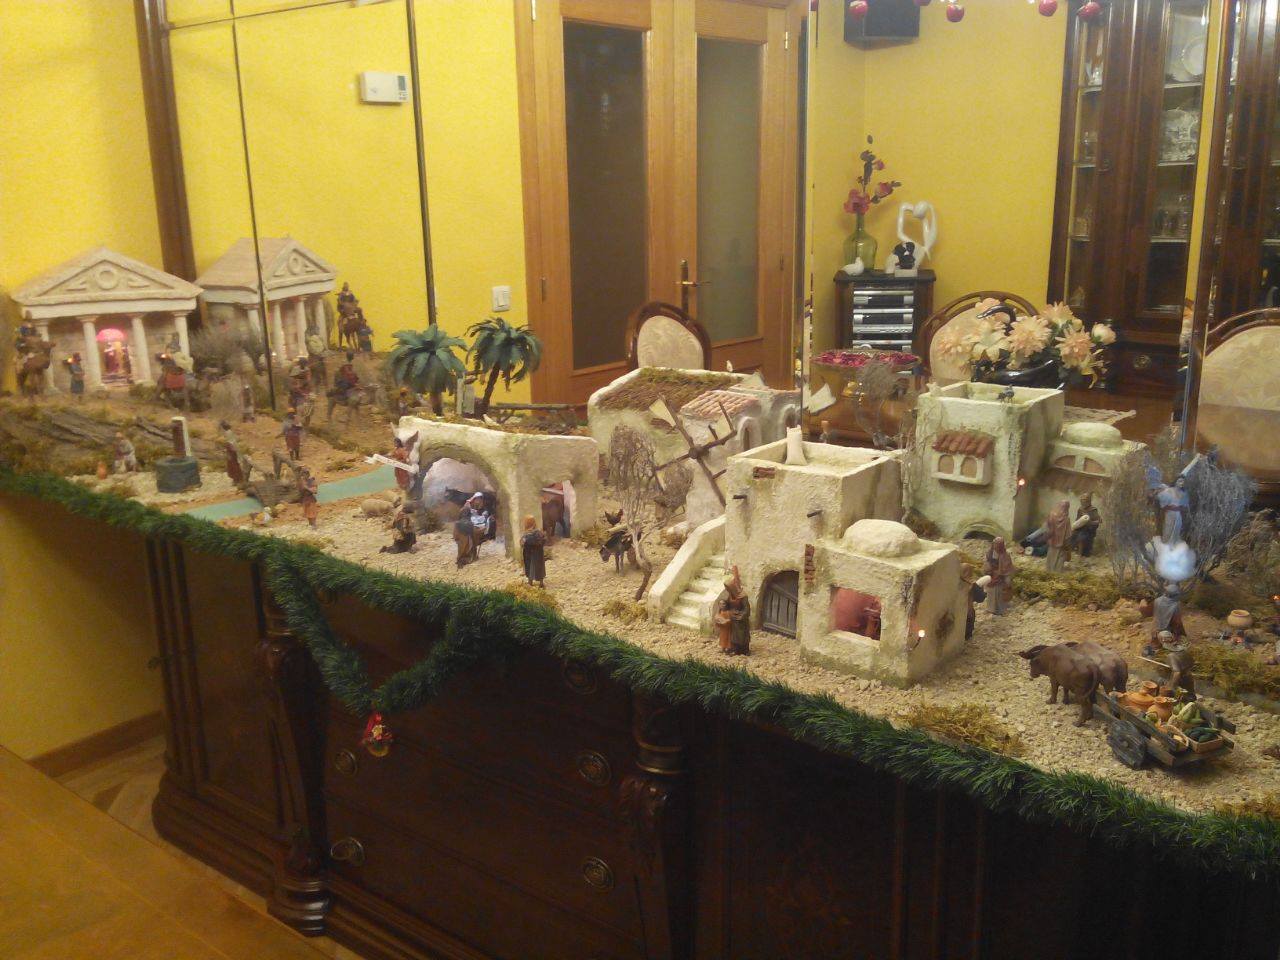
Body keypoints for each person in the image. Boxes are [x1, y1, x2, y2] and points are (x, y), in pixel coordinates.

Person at [715, 565, 751, 656]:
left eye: (729, 588)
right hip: (732, 618)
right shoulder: (730, 595)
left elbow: (746, 609)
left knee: (741, 636)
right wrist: (722, 609)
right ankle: (734, 649)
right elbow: (727, 605)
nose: (728, 590)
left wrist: (741, 616)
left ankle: (744, 650)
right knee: (733, 636)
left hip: (740, 620)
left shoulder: (743, 596)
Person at [1147, 582, 1186, 656]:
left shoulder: (1157, 600)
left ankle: (1155, 645)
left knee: (1155, 644)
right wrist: (1182, 634)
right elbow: (1177, 623)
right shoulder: (1175, 605)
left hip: (1154, 630)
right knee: (1181, 644)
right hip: (1165, 634)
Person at [1158, 630, 1196, 699]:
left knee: (1162, 683)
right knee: (1190, 695)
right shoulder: (1184, 651)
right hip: (1189, 678)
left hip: (1181, 681)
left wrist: (1171, 687)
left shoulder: (1172, 656)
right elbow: (1192, 663)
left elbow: (1177, 673)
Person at [982, 537, 1014, 615]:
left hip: (1002, 576)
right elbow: (986, 564)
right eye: (996, 544)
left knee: (1004, 587)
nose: (998, 546)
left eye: (1000, 545)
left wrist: (1000, 573)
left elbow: (1007, 567)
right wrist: (989, 570)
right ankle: (990, 608)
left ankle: (1001, 610)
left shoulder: (1006, 555)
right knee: (990, 591)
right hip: (991, 574)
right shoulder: (989, 554)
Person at [1155, 475, 1190, 544]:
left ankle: (1173, 548)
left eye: (1183, 481)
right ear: (1176, 481)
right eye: (1180, 481)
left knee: (1176, 531)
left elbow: (1185, 506)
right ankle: (1164, 547)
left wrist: (1180, 508)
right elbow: (1160, 499)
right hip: (1169, 514)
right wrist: (1169, 507)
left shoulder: (1183, 493)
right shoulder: (1169, 490)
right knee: (1167, 531)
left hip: (1178, 515)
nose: (1182, 483)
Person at [1043, 499, 1073, 573]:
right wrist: (1068, 549)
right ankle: (1056, 573)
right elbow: (1067, 536)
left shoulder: (1051, 515)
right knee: (1059, 560)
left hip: (1052, 543)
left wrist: (1047, 538)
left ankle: (1049, 571)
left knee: (1050, 558)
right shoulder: (1066, 519)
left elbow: (1046, 528)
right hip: (1061, 545)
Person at [1072, 492, 1101, 557]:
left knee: (1081, 536)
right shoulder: (1080, 509)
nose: (1082, 501)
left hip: (1089, 530)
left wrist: (1090, 522)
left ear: (1088, 500)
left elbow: (1098, 521)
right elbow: (1077, 519)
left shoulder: (1093, 510)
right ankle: (1075, 550)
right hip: (1080, 528)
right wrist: (1076, 525)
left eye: (1084, 500)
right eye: (1082, 499)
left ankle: (1080, 553)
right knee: (1072, 534)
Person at [521, 515, 547, 587]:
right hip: (531, 554)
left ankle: (539, 583)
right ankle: (531, 582)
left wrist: (527, 541)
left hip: (535, 554)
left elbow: (540, 541)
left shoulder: (536, 532)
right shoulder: (529, 533)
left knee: (536, 568)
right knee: (531, 568)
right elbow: (523, 542)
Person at [220, 420, 245, 485]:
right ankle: (237, 479)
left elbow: (230, 442)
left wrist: (229, 451)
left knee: (233, 465)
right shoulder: (229, 432)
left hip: (231, 450)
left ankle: (238, 479)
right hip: (232, 449)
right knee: (233, 465)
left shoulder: (228, 433)